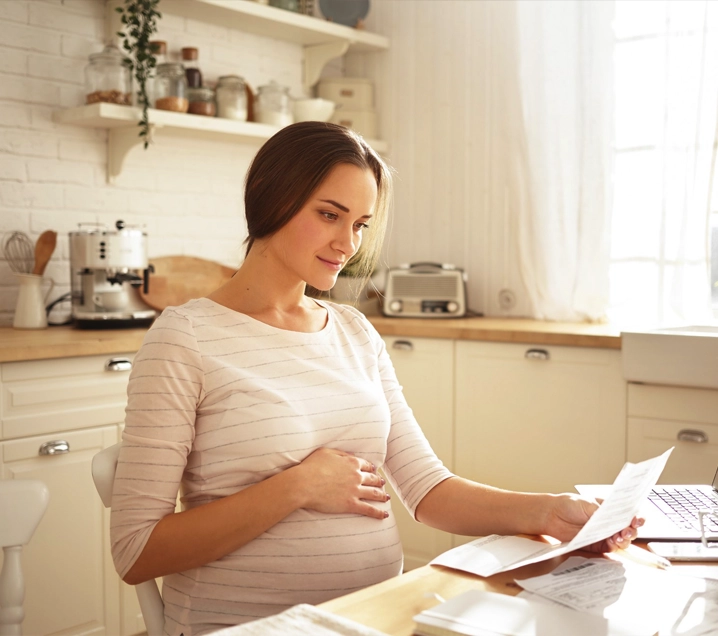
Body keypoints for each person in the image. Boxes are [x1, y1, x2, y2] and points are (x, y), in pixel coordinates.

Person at [110, 122, 641, 636]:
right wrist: (298, 486)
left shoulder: (354, 331)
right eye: (329, 215)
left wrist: (550, 511)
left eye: (361, 224)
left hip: (377, 617)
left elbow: (430, 491)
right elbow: (137, 551)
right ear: (271, 199)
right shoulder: (186, 337)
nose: (349, 243)